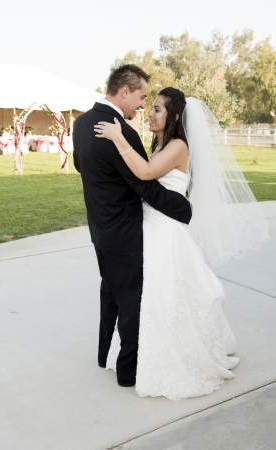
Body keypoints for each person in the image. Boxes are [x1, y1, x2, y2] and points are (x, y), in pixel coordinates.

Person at [94, 87, 270, 400]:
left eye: (157, 109)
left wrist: (118, 137)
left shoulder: (177, 146)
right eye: (151, 108)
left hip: (166, 233)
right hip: (149, 229)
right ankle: (139, 355)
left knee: (162, 297)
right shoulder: (161, 143)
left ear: (174, 116)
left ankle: (167, 357)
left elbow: (146, 172)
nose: (150, 113)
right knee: (145, 297)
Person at [73, 66, 192, 388]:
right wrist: (182, 208)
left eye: (152, 105)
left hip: (101, 229)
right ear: (124, 91)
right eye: (142, 98)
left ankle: (104, 355)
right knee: (131, 302)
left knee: (111, 294)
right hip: (126, 233)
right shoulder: (120, 131)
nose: (143, 107)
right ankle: (128, 371)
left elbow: (80, 166)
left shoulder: (81, 123)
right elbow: (144, 184)